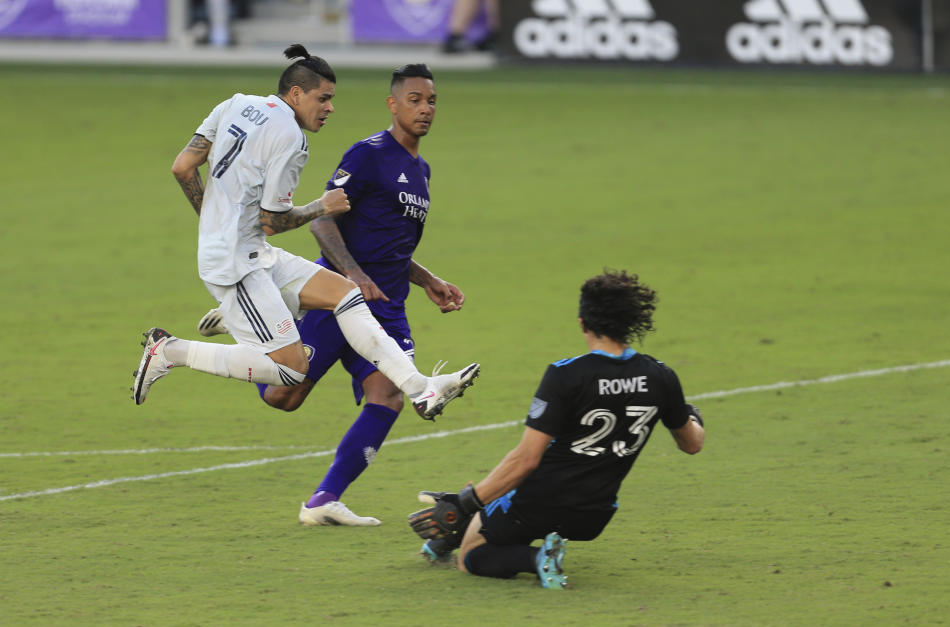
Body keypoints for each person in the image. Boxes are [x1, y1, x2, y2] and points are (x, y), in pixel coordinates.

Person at [132, 45, 479, 434]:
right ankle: (171, 351)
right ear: (296, 94)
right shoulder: (291, 140)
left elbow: (183, 167)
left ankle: (421, 389)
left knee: (345, 294)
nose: (330, 108)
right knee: (291, 374)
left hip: (250, 253)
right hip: (235, 265)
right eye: (324, 98)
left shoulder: (235, 104)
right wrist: (322, 205)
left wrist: (215, 220)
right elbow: (272, 221)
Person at [196, 63, 470, 527]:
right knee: (283, 397)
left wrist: (428, 281)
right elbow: (323, 219)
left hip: (387, 304)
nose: (425, 109)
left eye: (432, 101)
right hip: (341, 294)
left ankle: (322, 501)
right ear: (393, 104)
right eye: (415, 100)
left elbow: (392, 244)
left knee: (388, 397)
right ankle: (257, 316)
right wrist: (352, 274)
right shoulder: (368, 154)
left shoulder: (421, 170)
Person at [408, 271, 705, 589]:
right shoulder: (661, 376)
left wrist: (466, 502)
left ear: (582, 322)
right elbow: (691, 443)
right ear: (633, 321)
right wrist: (693, 415)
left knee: (473, 556)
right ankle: (447, 540)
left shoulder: (568, 375)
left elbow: (526, 461)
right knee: (496, 493)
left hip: (538, 505)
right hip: (595, 514)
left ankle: (536, 559)